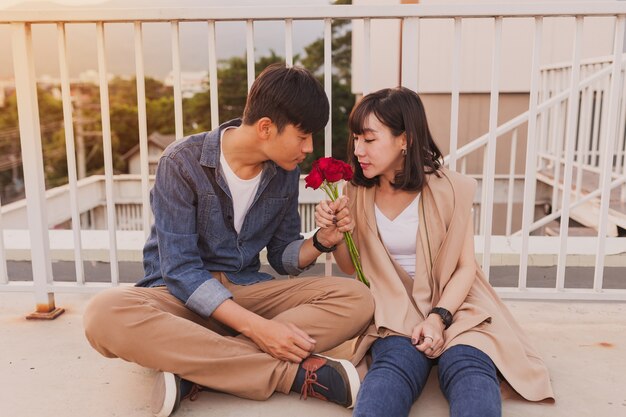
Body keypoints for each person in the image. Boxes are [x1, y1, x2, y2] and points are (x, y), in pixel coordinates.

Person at [83, 64, 374, 417]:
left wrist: (322, 240)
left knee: (357, 298)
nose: (309, 148)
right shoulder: (181, 162)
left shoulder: (283, 174)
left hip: (245, 290)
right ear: (266, 127)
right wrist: (260, 330)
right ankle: (289, 374)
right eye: (303, 136)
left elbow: (283, 255)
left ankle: (196, 370)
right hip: (177, 297)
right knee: (103, 313)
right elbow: (181, 270)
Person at [314, 87, 555, 417]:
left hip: (455, 303)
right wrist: (335, 234)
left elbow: (465, 268)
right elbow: (349, 267)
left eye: (369, 139)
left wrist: (438, 318)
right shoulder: (355, 191)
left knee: (468, 364)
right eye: (356, 139)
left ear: (405, 139)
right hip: (393, 307)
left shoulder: (450, 188)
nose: (358, 150)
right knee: (392, 369)